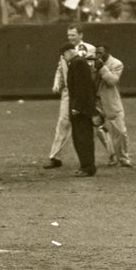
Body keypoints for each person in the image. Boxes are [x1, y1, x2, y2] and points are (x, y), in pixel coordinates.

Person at [42, 26, 95, 170]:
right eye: (69, 35)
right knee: (64, 122)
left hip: (83, 91)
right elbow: (60, 68)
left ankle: (111, 154)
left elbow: (90, 72)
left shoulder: (88, 49)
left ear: (80, 35)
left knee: (95, 124)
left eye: (73, 34)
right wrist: (56, 83)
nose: (70, 37)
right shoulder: (65, 52)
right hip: (69, 92)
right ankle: (55, 156)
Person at [62, 41, 98, 177]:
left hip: (80, 109)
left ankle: (88, 167)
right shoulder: (79, 63)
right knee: (80, 138)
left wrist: (77, 107)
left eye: (64, 55)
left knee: (83, 138)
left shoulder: (78, 63)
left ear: (68, 52)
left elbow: (81, 87)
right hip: (81, 107)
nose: (64, 58)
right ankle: (85, 166)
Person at [93, 45, 131, 168]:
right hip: (96, 101)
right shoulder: (92, 63)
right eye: (96, 53)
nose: (98, 55)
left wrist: (102, 68)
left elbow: (113, 81)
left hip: (111, 101)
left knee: (120, 131)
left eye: (100, 53)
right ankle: (112, 154)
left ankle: (124, 158)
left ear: (107, 53)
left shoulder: (116, 64)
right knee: (98, 129)